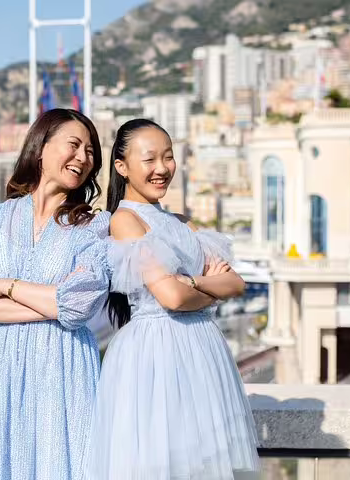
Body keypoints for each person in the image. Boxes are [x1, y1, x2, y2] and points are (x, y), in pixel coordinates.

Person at [86, 119, 259, 479]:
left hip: (201, 350)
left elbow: (237, 283)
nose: (162, 168)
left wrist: (192, 281)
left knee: (202, 460)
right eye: (149, 159)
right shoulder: (125, 220)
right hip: (156, 354)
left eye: (168, 157)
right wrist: (208, 286)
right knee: (161, 460)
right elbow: (172, 297)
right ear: (122, 167)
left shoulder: (182, 222)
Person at [0, 109, 110, 480]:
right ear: (41, 148)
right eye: (74, 145)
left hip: (64, 371)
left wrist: (3, 286)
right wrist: (54, 302)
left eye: (90, 151)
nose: (83, 158)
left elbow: (79, 303)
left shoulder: (93, 227)